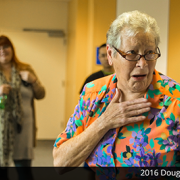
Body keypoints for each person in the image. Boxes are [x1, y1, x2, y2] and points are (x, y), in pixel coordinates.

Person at [53, 10, 180, 179]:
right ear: (111, 55)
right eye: (132, 53)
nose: (143, 64)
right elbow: (61, 162)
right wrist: (103, 123)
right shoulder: (93, 93)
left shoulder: (175, 101)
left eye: (149, 53)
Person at [0, 35, 45, 180]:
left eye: (6, 46)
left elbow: (41, 94)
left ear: (12, 49)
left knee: (24, 172)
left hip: (23, 127)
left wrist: (33, 80)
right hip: (1, 129)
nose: (2, 50)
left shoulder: (25, 68)